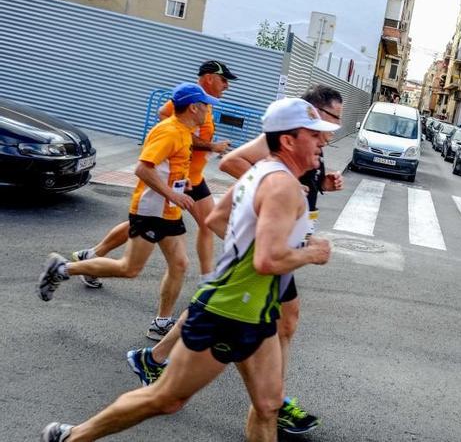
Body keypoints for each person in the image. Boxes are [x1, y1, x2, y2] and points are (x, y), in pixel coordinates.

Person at [40, 97, 338, 442]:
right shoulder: (283, 185)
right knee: (166, 398)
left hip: (258, 311)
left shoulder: (261, 171)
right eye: (314, 135)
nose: (322, 142)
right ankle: (72, 436)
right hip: (228, 311)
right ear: (288, 140)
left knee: (269, 405)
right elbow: (268, 261)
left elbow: (217, 218)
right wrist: (311, 253)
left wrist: (249, 247)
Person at [125, 84, 344, 436]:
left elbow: (296, 182)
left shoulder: (311, 143)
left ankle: (157, 359)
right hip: (274, 246)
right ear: (314, 111)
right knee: (265, 319)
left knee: (260, 314)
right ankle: (274, 401)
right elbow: (232, 161)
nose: (334, 129)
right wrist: (271, 188)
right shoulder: (287, 137)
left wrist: (322, 186)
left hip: (282, 242)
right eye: (334, 117)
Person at [37, 83, 217, 340]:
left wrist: (182, 182)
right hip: (151, 210)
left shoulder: (184, 131)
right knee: (129, 268)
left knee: (179, 264)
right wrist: (173, 193)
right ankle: (63, 269)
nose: (209, 111)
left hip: (169, 211)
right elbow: (143, 169)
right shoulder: (169, 132)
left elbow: (169, 166)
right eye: (206, 106)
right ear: (193, 108)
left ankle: (161, 322)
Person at [72, 60, 235, 308]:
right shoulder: (189, 100)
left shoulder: (205, 105)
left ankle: (92, 256)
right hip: (176, 180)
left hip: (189, 180)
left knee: (152, 230)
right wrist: (204, 146)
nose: (227, 86)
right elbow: (164, 120)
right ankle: (209, 280)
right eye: (224, 80)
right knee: (138, 253)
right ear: (210, 78)